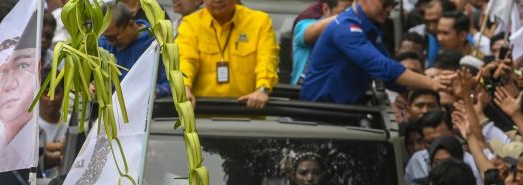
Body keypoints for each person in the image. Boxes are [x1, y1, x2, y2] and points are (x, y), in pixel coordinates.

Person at [300, 0, 451, 105]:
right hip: (323, 111)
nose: (388, 9)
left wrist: (431, 79)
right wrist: (431, 83)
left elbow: (389, 76)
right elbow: (382, 66)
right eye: (384, 3)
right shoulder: (346, 28)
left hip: (345, 109)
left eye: (392, 4)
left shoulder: (370, 28)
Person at [175, 0, 277, 108]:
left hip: (249, 113)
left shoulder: (259, 22)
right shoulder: (190, 24)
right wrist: (184, 88)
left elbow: (267, 60)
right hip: (202, 115)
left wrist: (262, 90)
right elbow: (185, 59)